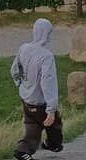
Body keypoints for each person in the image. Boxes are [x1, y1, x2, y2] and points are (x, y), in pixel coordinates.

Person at [11, 18, 63, 159]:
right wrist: (51, 110)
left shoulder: (24, 48)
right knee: (55, 123)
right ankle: (53, 145)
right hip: (40, 102)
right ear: (46, 34)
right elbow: (48, 82)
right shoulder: (46, 56)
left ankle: (23, 150)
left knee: (32, 126)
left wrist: (20, 85)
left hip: (26, 100)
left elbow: (14, 70)